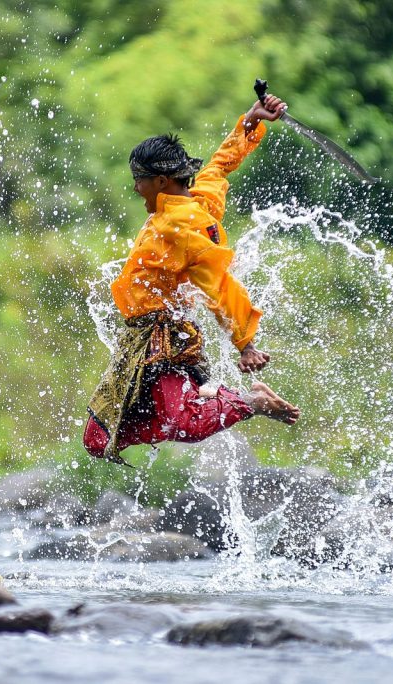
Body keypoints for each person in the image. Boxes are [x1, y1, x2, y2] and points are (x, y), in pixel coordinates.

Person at [84, 93, 301, 465]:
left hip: (163, 340)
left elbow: (218, 283)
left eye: (140, 180)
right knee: (98, 438)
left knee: (185, 425)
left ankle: (249, 401)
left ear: (163, 180)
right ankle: (208, 398)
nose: (136, 188)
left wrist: (244, 343)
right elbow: (218, 169)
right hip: (137, 341)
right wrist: (249, 123)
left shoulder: (181, 226)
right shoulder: (197, 200)